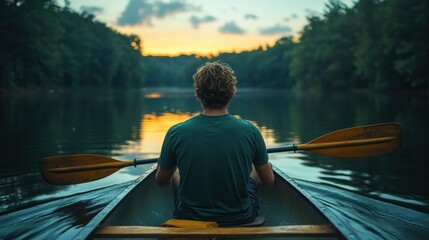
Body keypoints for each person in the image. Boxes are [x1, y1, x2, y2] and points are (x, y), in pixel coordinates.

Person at [155, 61, 275, 226]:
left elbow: (161, 180)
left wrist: (163, 164)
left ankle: (184, 214)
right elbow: (269, 181)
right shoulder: (251, 131)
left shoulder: (176, 132)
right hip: (241, 217)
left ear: (198, 93)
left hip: (190, 217)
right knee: (259, 167)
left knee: (175, 173)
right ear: (231, 93)